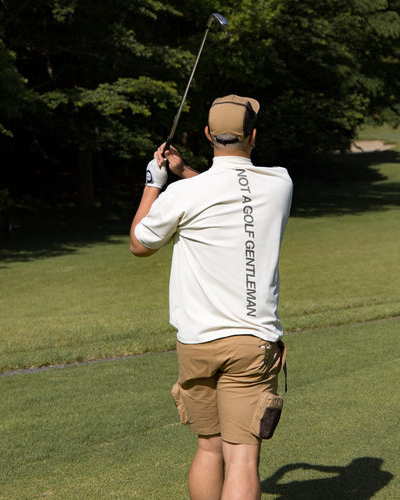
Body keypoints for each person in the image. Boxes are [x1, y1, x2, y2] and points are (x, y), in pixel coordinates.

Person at [130, 94, 293, 500]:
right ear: (253, 135)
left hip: (197, 342)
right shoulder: (280, 183)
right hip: (252, 344)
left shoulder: (186, 194)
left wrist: (157, 181)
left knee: (209, 447)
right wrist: (186, 172)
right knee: (242, 457)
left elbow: (139, 243)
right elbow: (232, 190)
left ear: (207, 134)